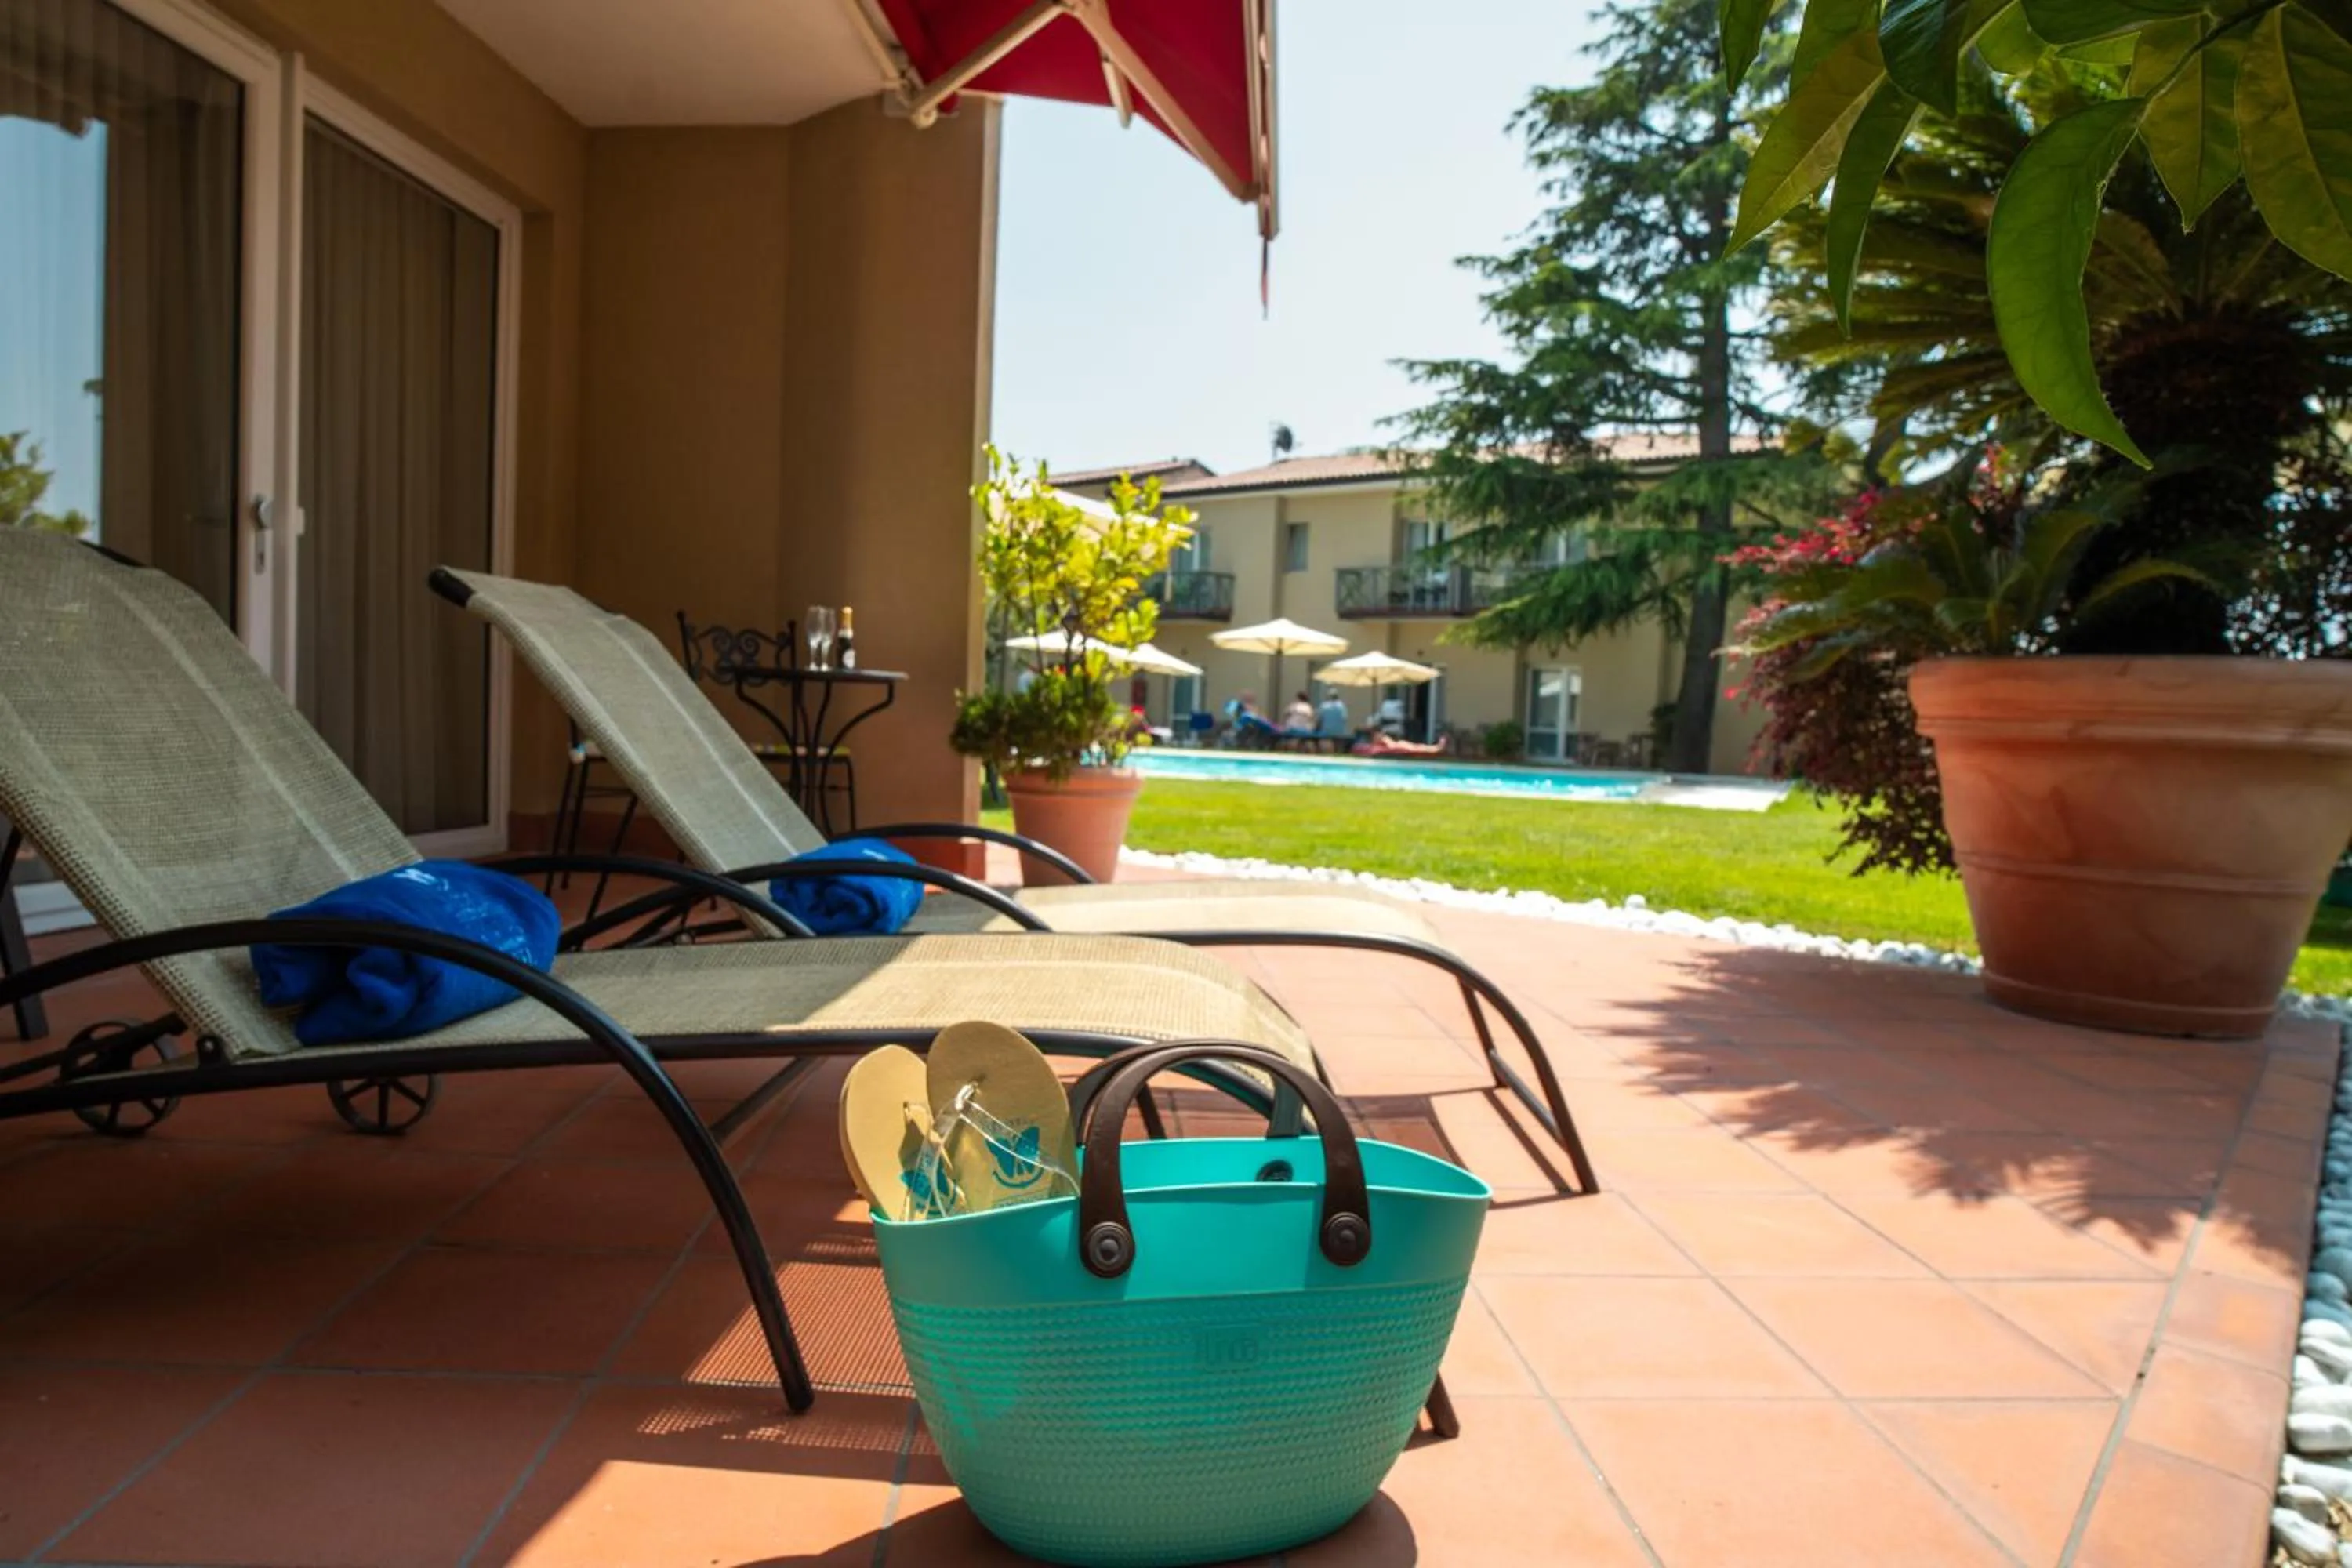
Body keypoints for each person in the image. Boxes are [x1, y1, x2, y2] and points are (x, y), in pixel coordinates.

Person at [1352, 731, 1452, 758]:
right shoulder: (1375, 748)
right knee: (1416, 748)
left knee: (1416, 747)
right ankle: (1436, 748)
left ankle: (1436, 748)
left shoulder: (1375, 747)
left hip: (1396, 746)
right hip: (1396, 747)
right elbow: (1390, 746)